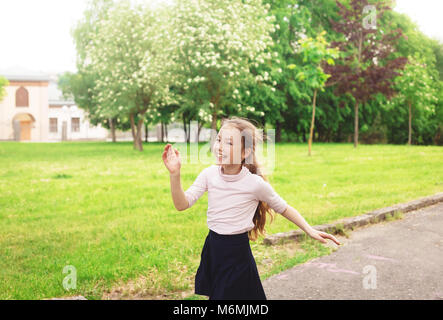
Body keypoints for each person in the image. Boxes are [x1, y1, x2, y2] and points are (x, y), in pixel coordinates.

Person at [162, 116, 340, 300]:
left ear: (244, 153)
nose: (220, 146)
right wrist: (175, 175)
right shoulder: (209, 175)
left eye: (229, 143)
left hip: (237, 256)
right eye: (219, 139)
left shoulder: (254, 184)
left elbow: (284, 208)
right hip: (213, 250)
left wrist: (309, 230)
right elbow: (182, 204)